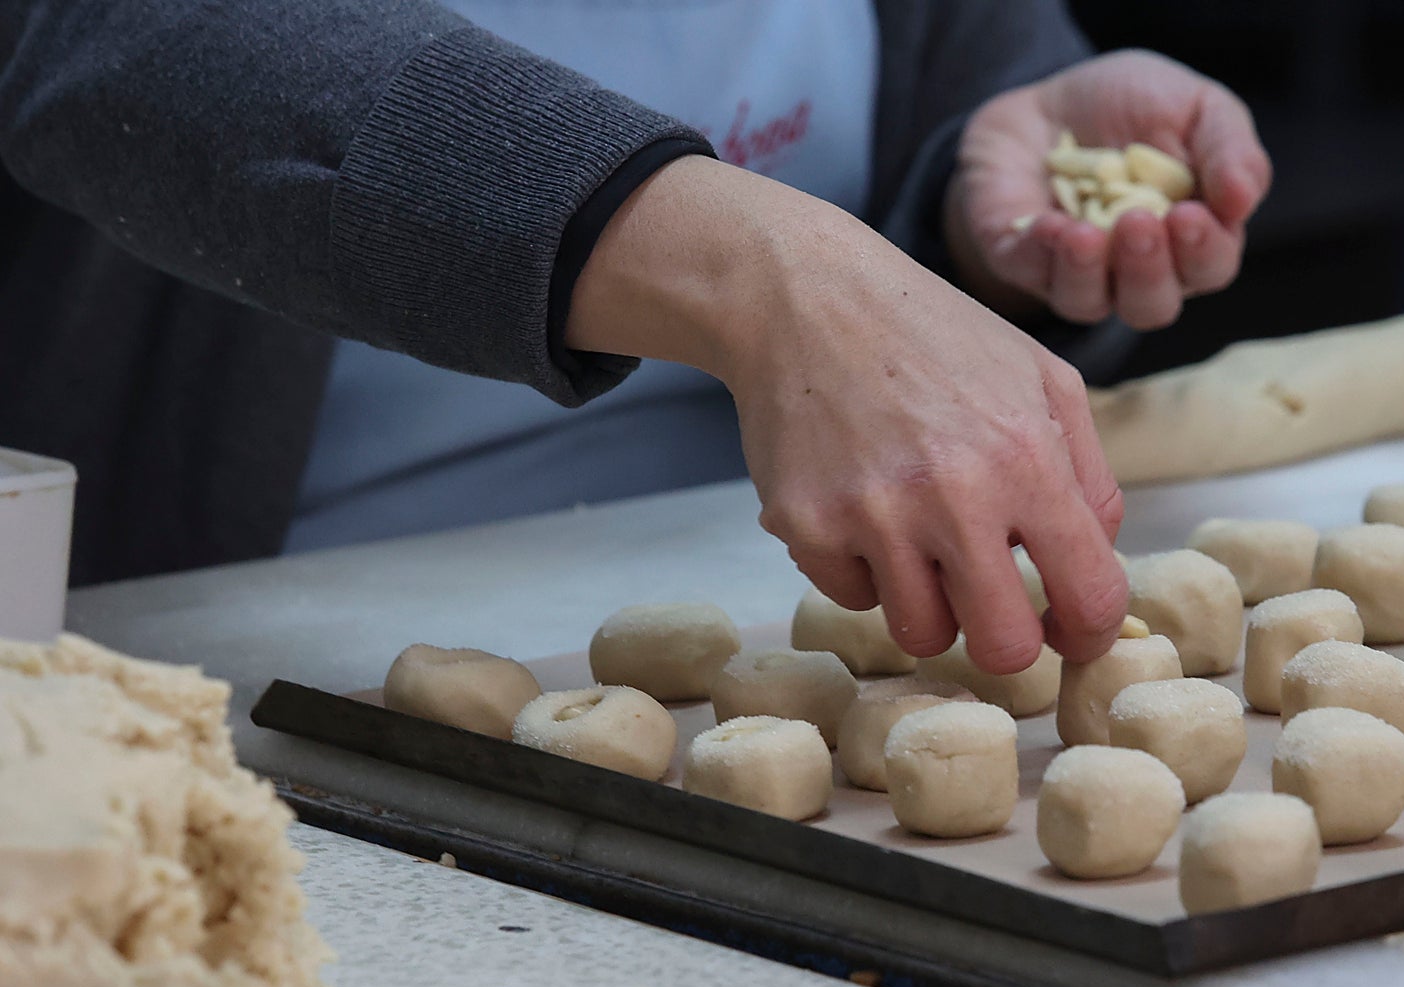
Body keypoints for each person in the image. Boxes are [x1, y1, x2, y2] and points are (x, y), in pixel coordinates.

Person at [0, 0, 1269, 675]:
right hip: (298, 650)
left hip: (806, 636)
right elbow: (120, 41)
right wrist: (768, 277)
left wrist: (993, 230)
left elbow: (974, 87)